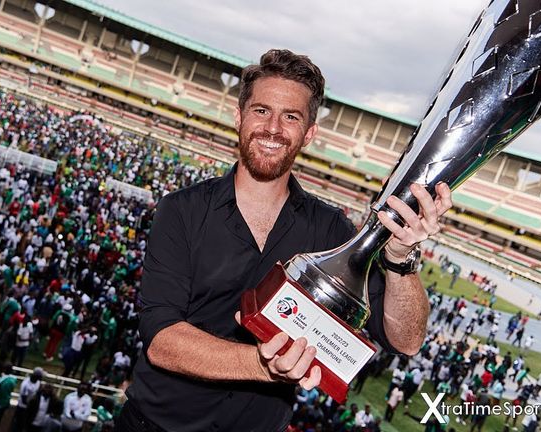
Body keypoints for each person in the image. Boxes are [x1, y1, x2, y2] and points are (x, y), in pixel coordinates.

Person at [116, 49, 453, 431]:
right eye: (261, 111)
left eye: (290, 116)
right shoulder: (181, 211)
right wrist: (262, 364)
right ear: (239, 117)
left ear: (309, 133)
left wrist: (400, 259)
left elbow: (406, 340)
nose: (273, 128)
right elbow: (161, 338)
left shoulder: (331, 230)